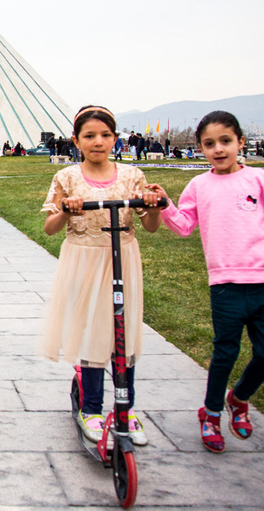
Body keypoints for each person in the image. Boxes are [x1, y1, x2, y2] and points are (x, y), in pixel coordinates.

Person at [145, 111, 264, 453]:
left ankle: (239, 398)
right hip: (225, 284)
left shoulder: (263, 180)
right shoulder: (199, 186)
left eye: (225, 141)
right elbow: (183, 225)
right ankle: (211, 413)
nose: (218, 149)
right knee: (225, 351)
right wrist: (165, 204)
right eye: (209, 144)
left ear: (240, 142)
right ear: (200, 148)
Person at [40, 105, 163, 446]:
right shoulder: (67, 177)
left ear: (115, 138)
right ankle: (91, 407)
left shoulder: (132, 175)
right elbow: (50, 228)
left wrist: (153, 206)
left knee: (124, 331)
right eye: (90, 136)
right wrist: (67, 211)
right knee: (92, 332)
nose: (98, 142)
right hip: (84, 258)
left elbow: (151, 225)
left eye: (105, 135)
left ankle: (126, 408)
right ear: (76, 141)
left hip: (122, 256)